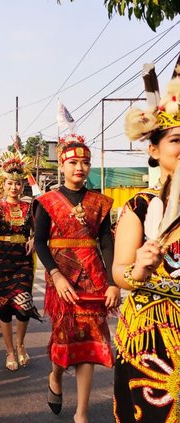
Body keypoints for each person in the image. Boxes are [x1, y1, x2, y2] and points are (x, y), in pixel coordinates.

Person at [34, 134, 120, 423]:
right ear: (61, 165)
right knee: (64, 338)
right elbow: (40, 243)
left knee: (90, 343)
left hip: (93, 278)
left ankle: (81, 413)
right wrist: (56, 275)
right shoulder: (46, 202)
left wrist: (112, 282)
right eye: (73, 162)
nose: (79, 168)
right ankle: (55, 376)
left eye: (84, 162)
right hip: (62, 278)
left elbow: (107, 242)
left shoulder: (100, 202)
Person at [112, 69, 180, 422]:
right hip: (149, 334)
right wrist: (138, 269)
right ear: (153, 149)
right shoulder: (139, 205)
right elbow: (120, 272)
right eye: (177, 140)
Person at [0, 151, 41, 371]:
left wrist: (34, 239)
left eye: (17, 184)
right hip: (1, 259)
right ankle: (9, 351)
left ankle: (21, 344)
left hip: (23, 258)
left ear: (22, 185)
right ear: (4, 185)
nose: (14, 187)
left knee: (24, 306)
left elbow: (38, 231)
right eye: (9, 183)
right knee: (5, 310)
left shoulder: (30, 206)